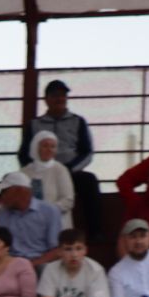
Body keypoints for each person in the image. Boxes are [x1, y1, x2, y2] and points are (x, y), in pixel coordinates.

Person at [19, 79, 100, 237]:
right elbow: (23, 154)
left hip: (71, 172)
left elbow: (87, 152)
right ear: (46, 99)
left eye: (63, 95)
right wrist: (35, 171)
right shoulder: (35, 124)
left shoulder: (78, 121)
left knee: (90, 181)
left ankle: (95, 232)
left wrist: (69, 170)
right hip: (40, 173)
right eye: (55, 95)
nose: (60, 99)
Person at [0, 172, 63, 267]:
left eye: (4, 191)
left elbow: (56, 249)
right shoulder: (1, 214)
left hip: (40, 263)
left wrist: (32, 265)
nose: (1, 196)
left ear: (19, 191)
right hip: (10, 264)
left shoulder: (50, 211)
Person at [22, 131, 75, 221]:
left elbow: (67, 200)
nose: (49, 149)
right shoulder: (25, 172)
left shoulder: (60, 170)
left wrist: (47, 211)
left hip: (57, 220)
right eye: (45, 146)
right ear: (36, 147)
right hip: (30, 220)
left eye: (53, 146)